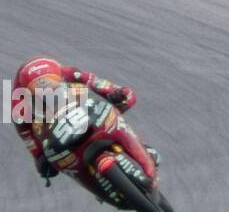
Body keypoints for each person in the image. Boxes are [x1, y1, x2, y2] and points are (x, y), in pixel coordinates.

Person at [10, 56, 155, 182]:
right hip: (51, 126)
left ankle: (138, 144)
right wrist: (38, 156)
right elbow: (26, 136)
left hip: (78, 108)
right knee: (47, 159)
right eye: (40, 97)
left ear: (60, 79)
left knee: (113, 108)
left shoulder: (68, 73)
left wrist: (117, 93)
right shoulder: (18, 103)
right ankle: (82, 174)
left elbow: (96, 83)